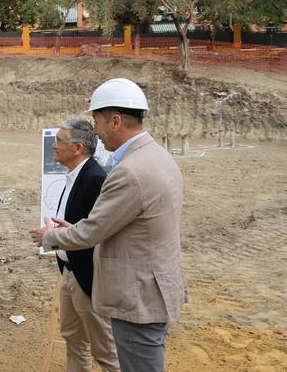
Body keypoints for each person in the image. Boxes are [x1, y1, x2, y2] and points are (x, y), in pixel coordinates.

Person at [30, 78, 186, 372]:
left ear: (115, 121)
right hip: (155, 288)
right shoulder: (159, 157)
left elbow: (91, 231)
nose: (96, 131)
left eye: (97, 121)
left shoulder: (129, 171)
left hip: (137, 296)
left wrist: (51, 236)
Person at [51, 120, 119, 372]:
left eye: (59, 140)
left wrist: (67, 232)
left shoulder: (95, 179)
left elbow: (104, 232)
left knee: (104, 348)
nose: (54, 146)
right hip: (70, 270)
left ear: (78, 147)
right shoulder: (76, 175)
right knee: (72, 337)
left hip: (89, 277)